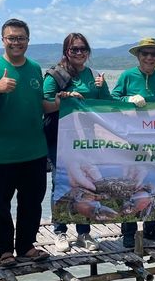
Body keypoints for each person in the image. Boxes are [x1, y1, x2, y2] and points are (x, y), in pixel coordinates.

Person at [0, 18, 56, 267]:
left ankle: (26, 246)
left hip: (34, 150)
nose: (16, 42)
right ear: (3, 40)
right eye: (11, 38)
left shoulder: (34, 68)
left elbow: (40, 103)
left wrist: (66, 103)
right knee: (0, 204)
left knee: (32, 202)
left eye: (21, 38)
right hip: (1, 153)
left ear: (28, 41)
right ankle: (4, 250)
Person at [44, 32, 111, 252]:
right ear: (66, 52)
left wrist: (102, 88)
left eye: (83, 49)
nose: (79, 52)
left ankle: (84, 233)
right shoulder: (55, 75)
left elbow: (105, 105)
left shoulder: (93, 75)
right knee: (61, 182)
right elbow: (44, 104)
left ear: (88, 52)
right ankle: (60, 231)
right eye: (74, 49)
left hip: (86, 139)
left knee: (87, 183)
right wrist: (63, 99)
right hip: (60, 138)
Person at [111, 37, 155, 248]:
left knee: (154, 183)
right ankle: (128, 231)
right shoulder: (127, 76)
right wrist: (127, 100)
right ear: (138, 56)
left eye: (153, 54)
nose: (149, 57)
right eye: (145, 53)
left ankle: (151, 229)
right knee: (130, 184)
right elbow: (112, 100)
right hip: (130, 139)